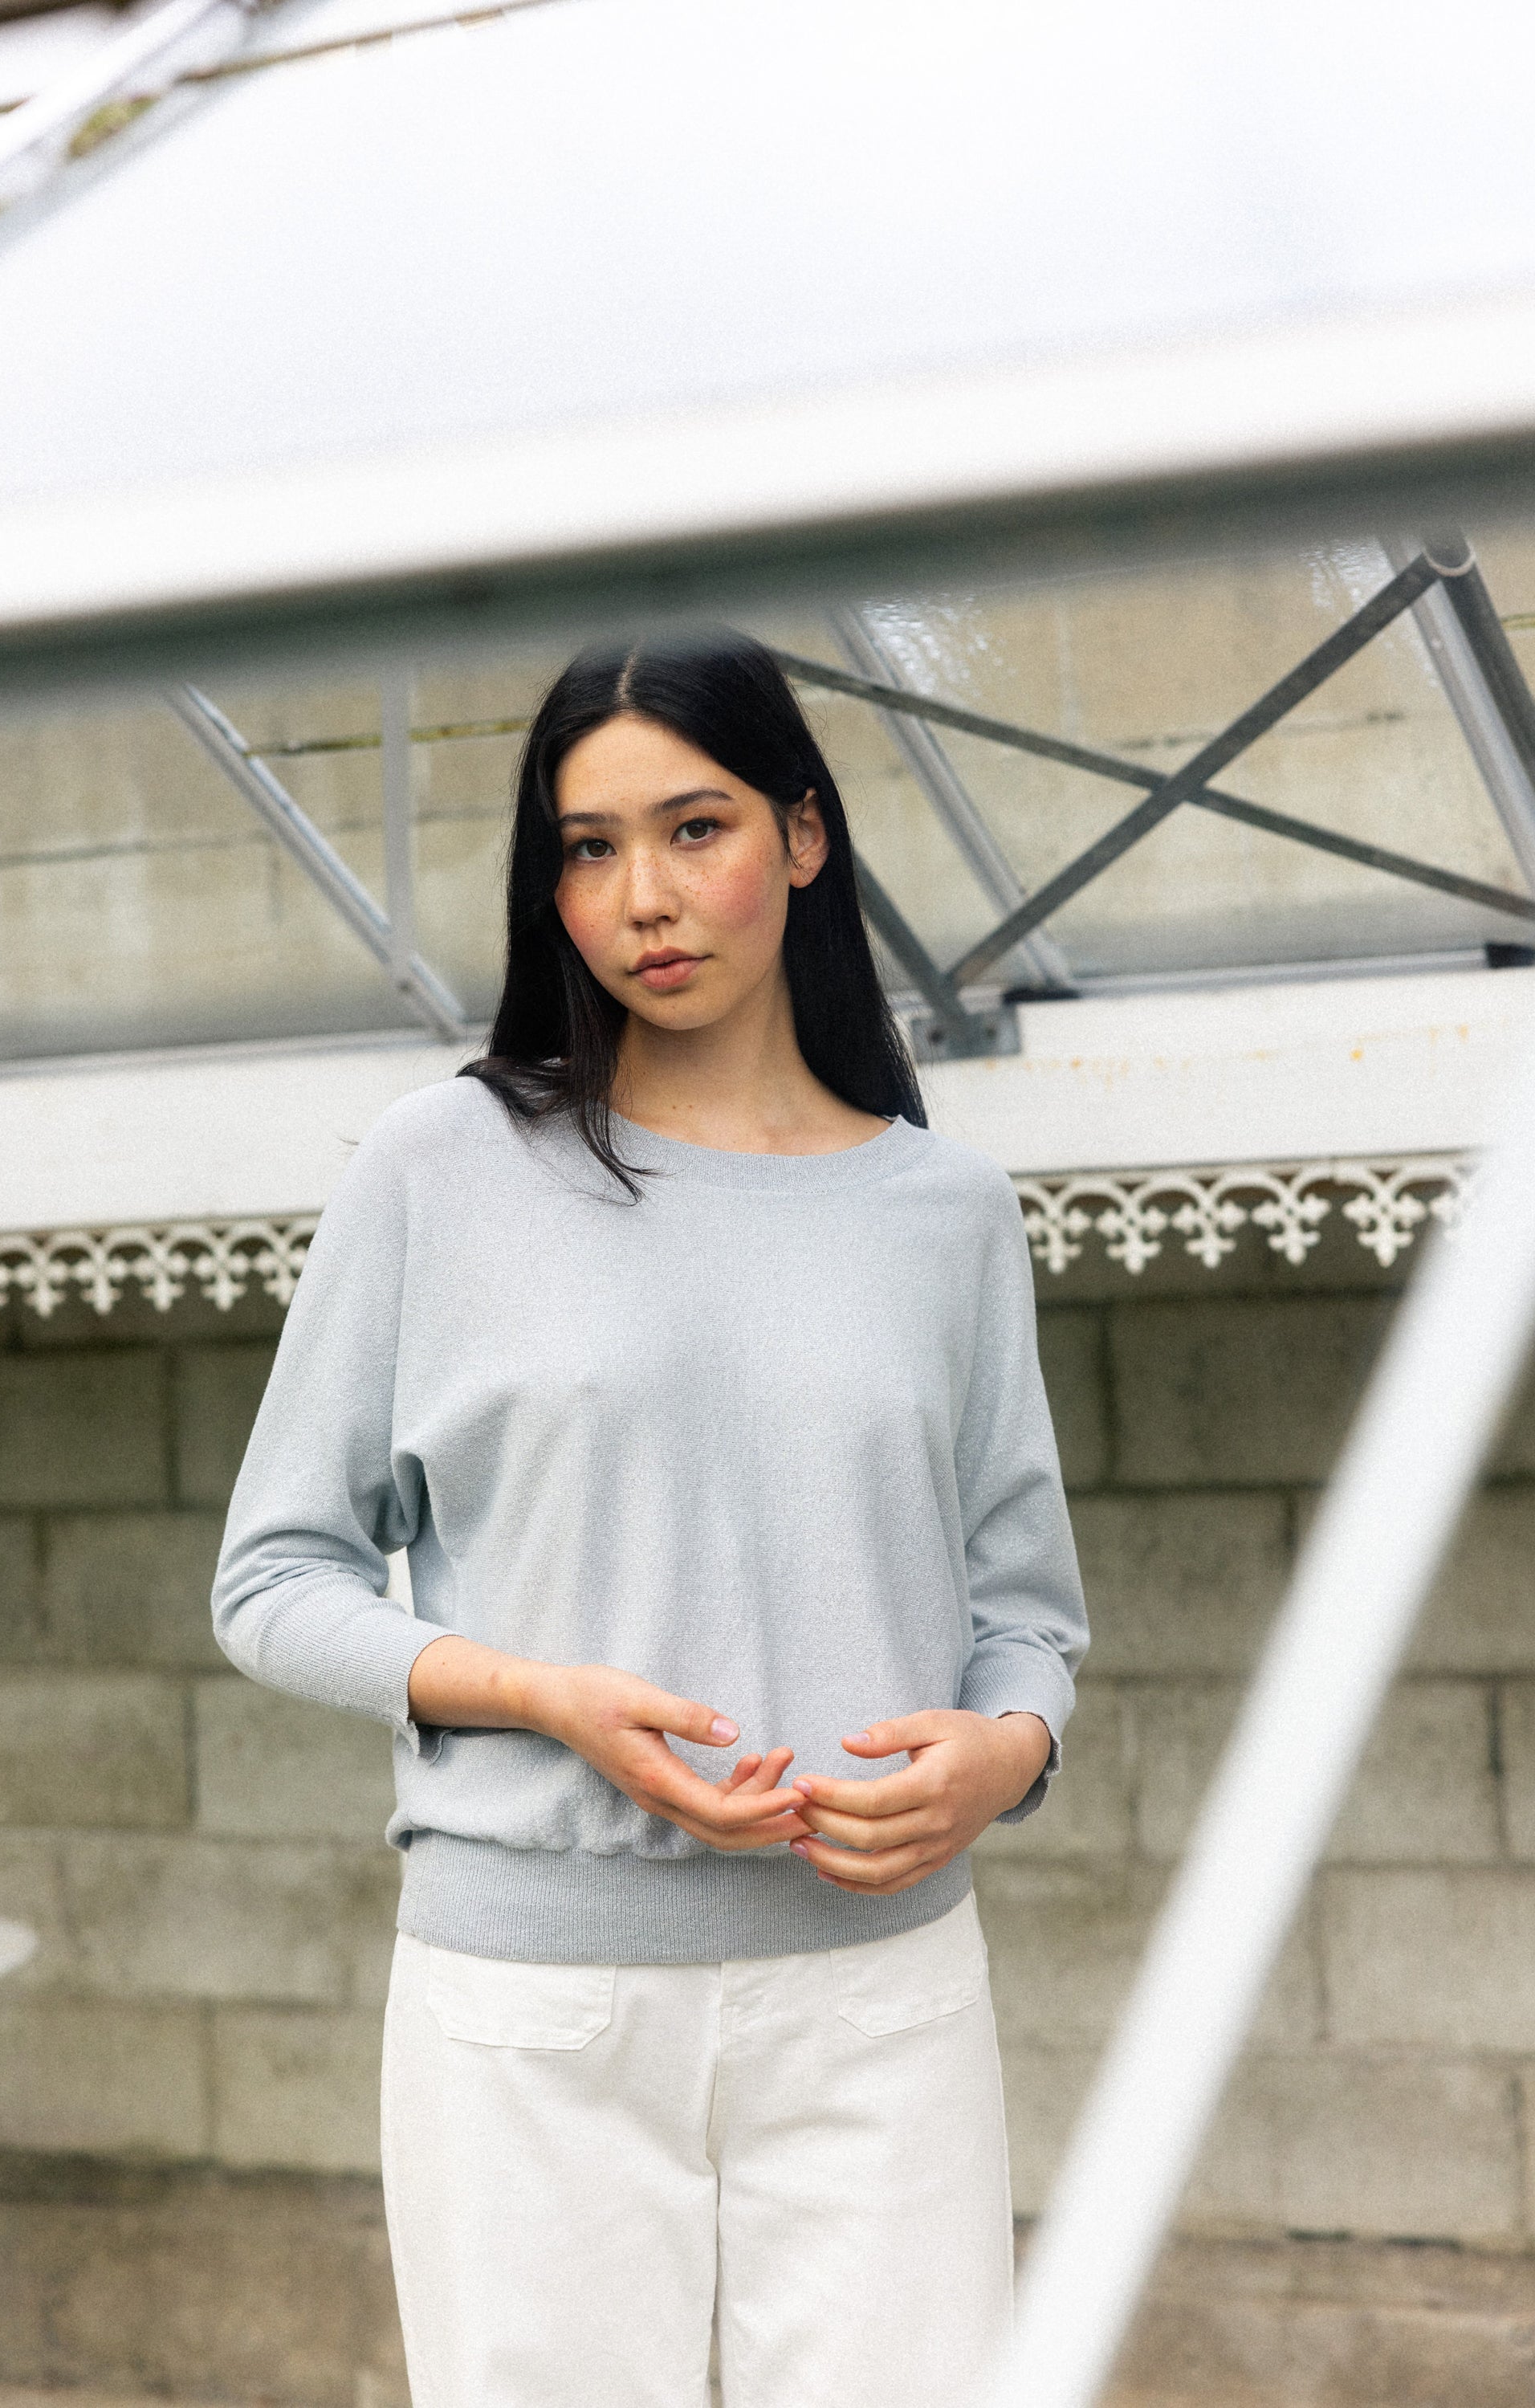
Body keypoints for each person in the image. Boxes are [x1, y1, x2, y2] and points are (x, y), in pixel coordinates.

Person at [211, 627, 1089, 2408]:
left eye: (694, 829)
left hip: (881, 1996)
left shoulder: (945, 1210)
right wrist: (540, 1694)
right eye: (587, 848)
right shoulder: (439, 1169)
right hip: (532, 2007)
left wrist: (1011, 1753)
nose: (641, 898)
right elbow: (271, 1580)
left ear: (806, 835)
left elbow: (1027, 1608)